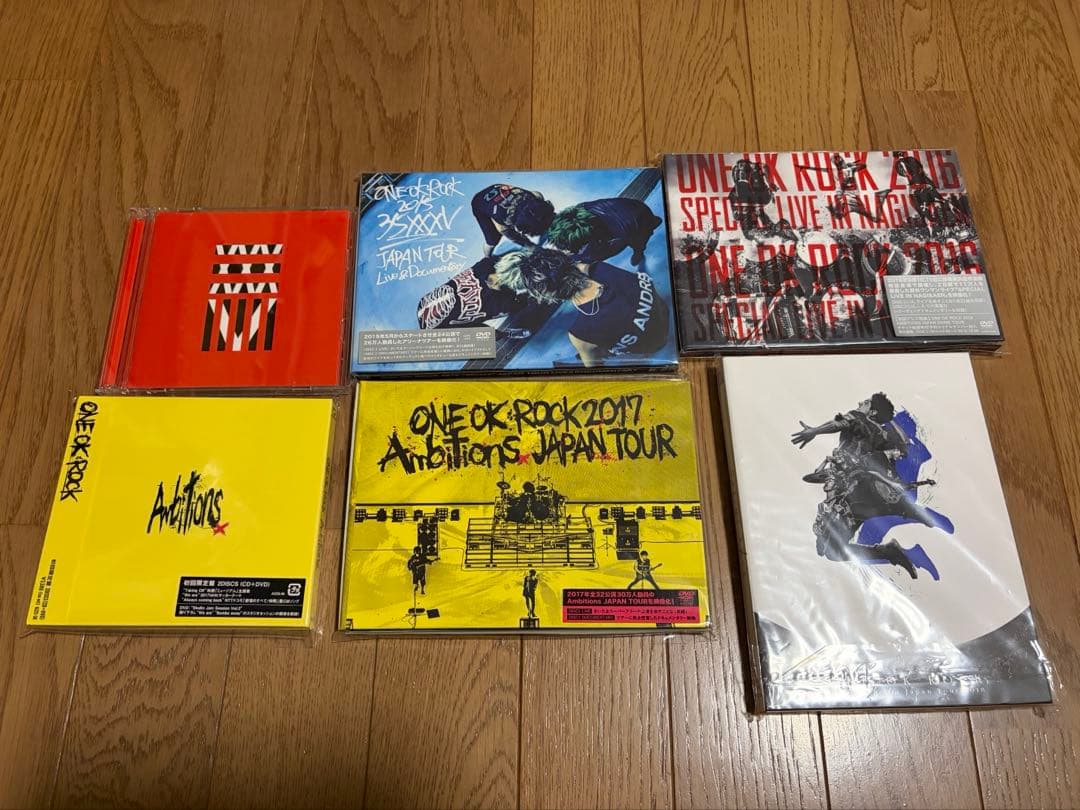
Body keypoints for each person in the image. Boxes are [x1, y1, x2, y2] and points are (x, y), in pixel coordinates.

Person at [791, 393, 942, 578]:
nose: (860, 402)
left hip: (853, 488)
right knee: (830, 549)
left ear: (872, 411)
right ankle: (897, 539)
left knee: (830, 550)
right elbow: (902, 448)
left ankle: (898, 536)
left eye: (866, 402)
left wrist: (814, 431)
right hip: (862, 492)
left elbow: (839, 424)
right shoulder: (883, 434)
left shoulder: (859, 418)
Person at [513, 248, 670, 366]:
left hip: (653, 344)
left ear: (548, 294)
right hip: (663, 312)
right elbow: (582, 266)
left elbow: (595, 369)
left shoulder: (580, 333)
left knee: (588, 353)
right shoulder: (601, 268)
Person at [416, 253, 530, 330]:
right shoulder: (502, 303)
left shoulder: (485, 265)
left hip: (426, 304)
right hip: (438, 327)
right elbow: (519, 304)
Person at [543, 198, 662, 267]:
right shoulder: (580, 209)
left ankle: (639, 251)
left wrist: (580, 258)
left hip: (638, 222)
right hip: (630, 207)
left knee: (639, 243)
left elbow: (608, 251)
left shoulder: (620, 232)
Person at [472, 184, 555, 256]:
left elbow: (537, 195)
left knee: (543, 217)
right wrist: (530, 246)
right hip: (479, 201)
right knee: (492, 240)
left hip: (496, 191)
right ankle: (487, 258)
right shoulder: (503, 222)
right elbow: (505, 231)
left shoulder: (534, 196)